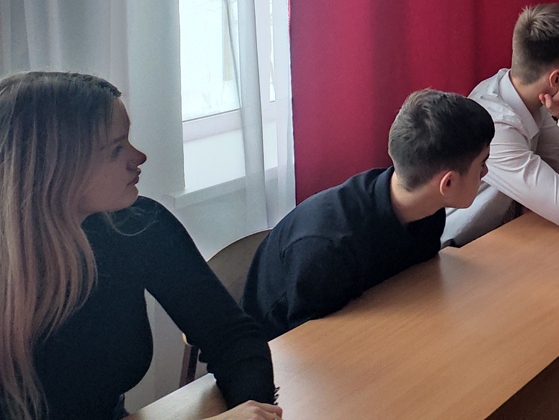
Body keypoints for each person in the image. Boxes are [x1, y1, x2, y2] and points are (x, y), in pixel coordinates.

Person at [0, 72, 278, 420]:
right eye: (116, 149)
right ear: (54, 167)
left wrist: (253, 408)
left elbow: (231, 336)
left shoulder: (139, 224)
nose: (139, 156)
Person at [242, 89, 494, 339]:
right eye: (482, 163)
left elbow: (417, 285)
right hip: (283, 347)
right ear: (447, 183)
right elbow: (312, 342)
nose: (485, 172)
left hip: (383, 325)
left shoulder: (428, 210)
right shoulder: (327, 249)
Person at [442, 4, 559, 246]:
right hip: (455, 252)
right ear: (558, 79)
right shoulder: (497, 125)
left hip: (499, 240)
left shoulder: (527, 98)